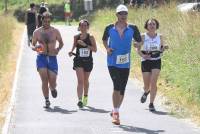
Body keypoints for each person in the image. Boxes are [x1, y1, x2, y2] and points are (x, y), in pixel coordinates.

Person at [102, 4, 142, 125]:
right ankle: (116, 114)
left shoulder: (133, 28)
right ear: (117, 15)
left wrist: (137, 45)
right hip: (112, 61)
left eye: (125, 13)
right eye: (121, 13)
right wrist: (107, 48)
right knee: (117, 85)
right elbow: (104, 40)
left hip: (125, 62)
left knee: (122, 89)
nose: (123, 15)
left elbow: (139, 41)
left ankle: (115, 109)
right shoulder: (109, 28)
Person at [31, 11, 64, 108]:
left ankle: (53, 88)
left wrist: (58, 49)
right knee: (44, 80)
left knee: (52, 81)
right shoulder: (37, 32)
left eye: (49, 22)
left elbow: (61, 43)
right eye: (45, 21)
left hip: (52, 58)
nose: (47, 23)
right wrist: (35, 47)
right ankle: (47, 100)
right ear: (42, 21)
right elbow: (32, 44)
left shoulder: (55, 31)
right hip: (41, 57)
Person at [136, 18, 168, 111]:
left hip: (156, 60)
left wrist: (163, 49)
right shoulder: (143, 36)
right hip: (146, 61)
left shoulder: (160, 36)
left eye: (153, 24)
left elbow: (161, 48)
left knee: (153, 83)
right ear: (147, 26)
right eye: (150, 24)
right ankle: (146, 92)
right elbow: (138, 48)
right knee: (146, 85)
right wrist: (143, 55)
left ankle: (151, 103)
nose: (152, 26)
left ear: (156, 26)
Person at [68, 19, 97, 108]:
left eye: (85, 26)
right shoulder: (76, 37)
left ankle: (85, 96)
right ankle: (79, 100)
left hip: (88, 61)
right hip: (78, 60)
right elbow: (73, 46)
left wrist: (84, 45)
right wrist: (71, 51)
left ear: (88, 27)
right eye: (81, 26)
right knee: (80, 80)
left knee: (85, 81)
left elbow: (95, 50)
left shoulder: (91, 37)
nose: (83, 27)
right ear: (79, 27)